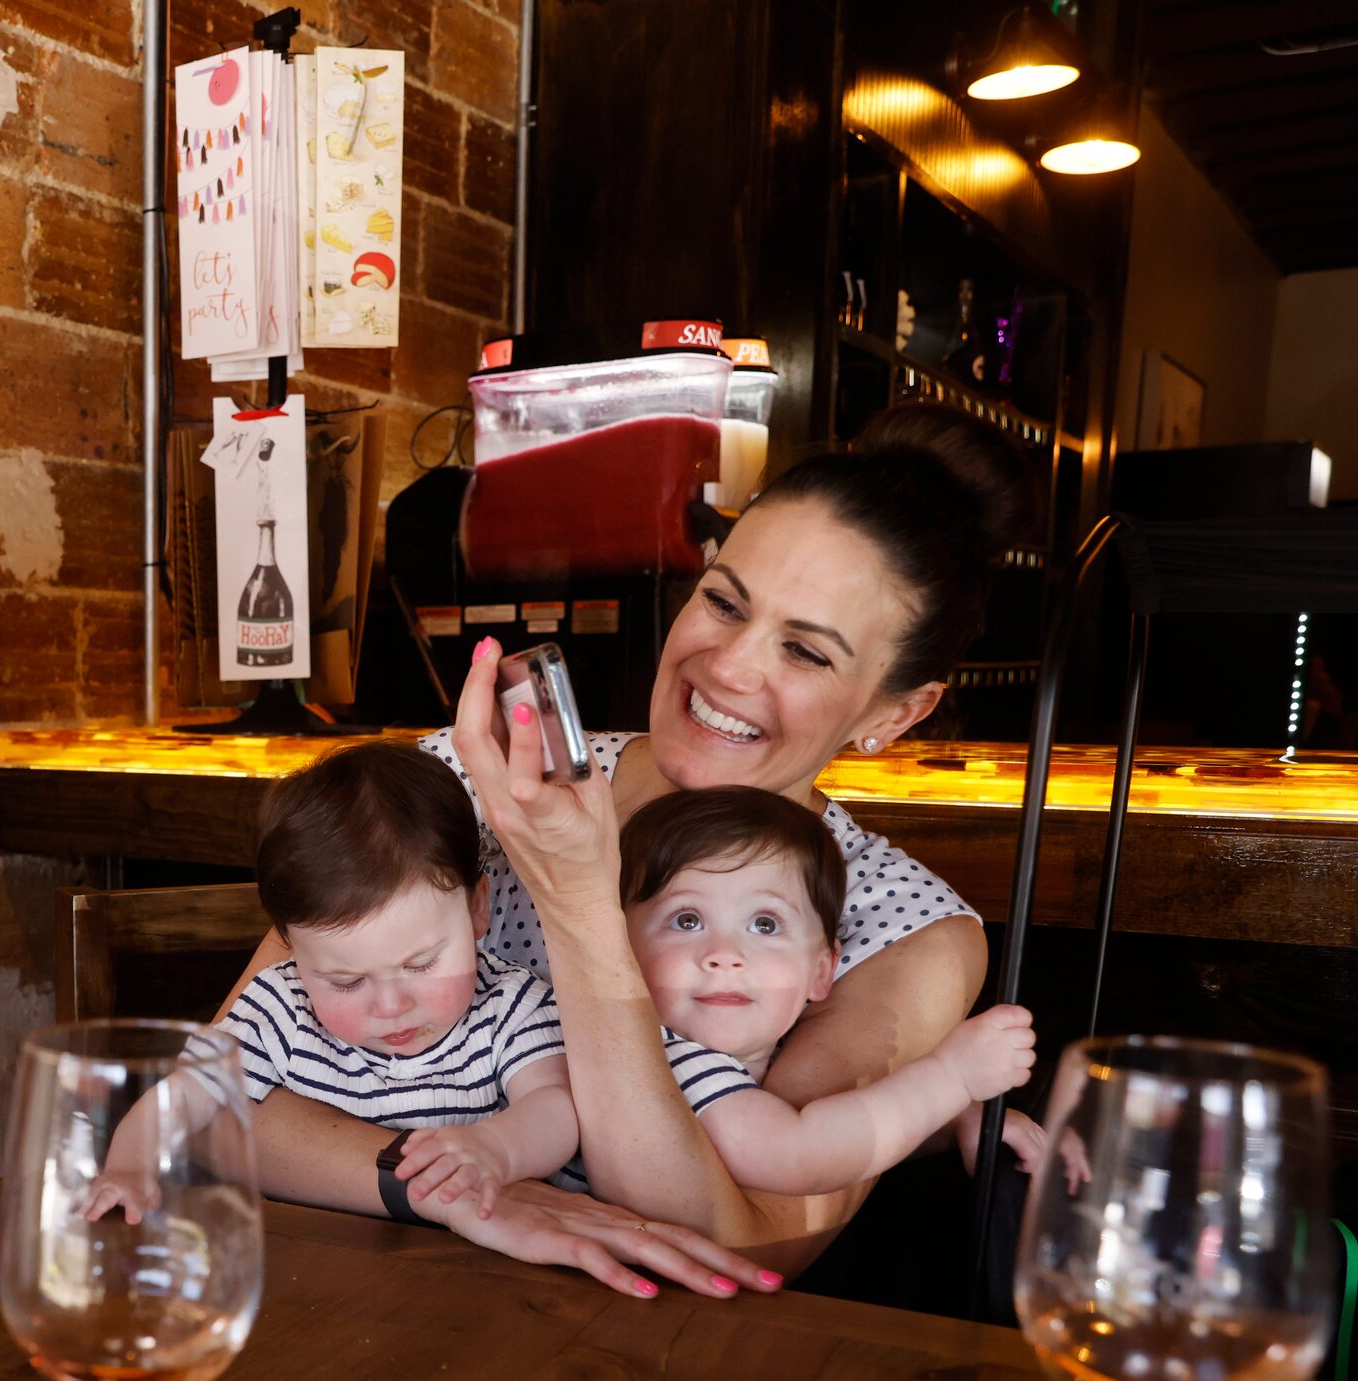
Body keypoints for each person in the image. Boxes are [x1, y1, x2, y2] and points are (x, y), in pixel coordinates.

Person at [232, 404, 1035, 1294]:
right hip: (351, 1296)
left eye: (805, 652)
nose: (728, 667)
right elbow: (216, 1099)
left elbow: (744, 1242)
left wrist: (580, 904)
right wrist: (456, 1190)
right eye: (723, 602)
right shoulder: (461, 783)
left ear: (896, 713)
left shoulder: (901, 924)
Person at [394, 784, 1044, 1210]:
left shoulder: (729, 1073)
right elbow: (798, 1151)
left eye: (764, 925)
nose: (724, 953)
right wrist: (952, 1078)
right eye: (686, 921)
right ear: (623, 951)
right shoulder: (681, 1060)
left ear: (823, 973)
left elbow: (828, 1126)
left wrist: (949, 1120)